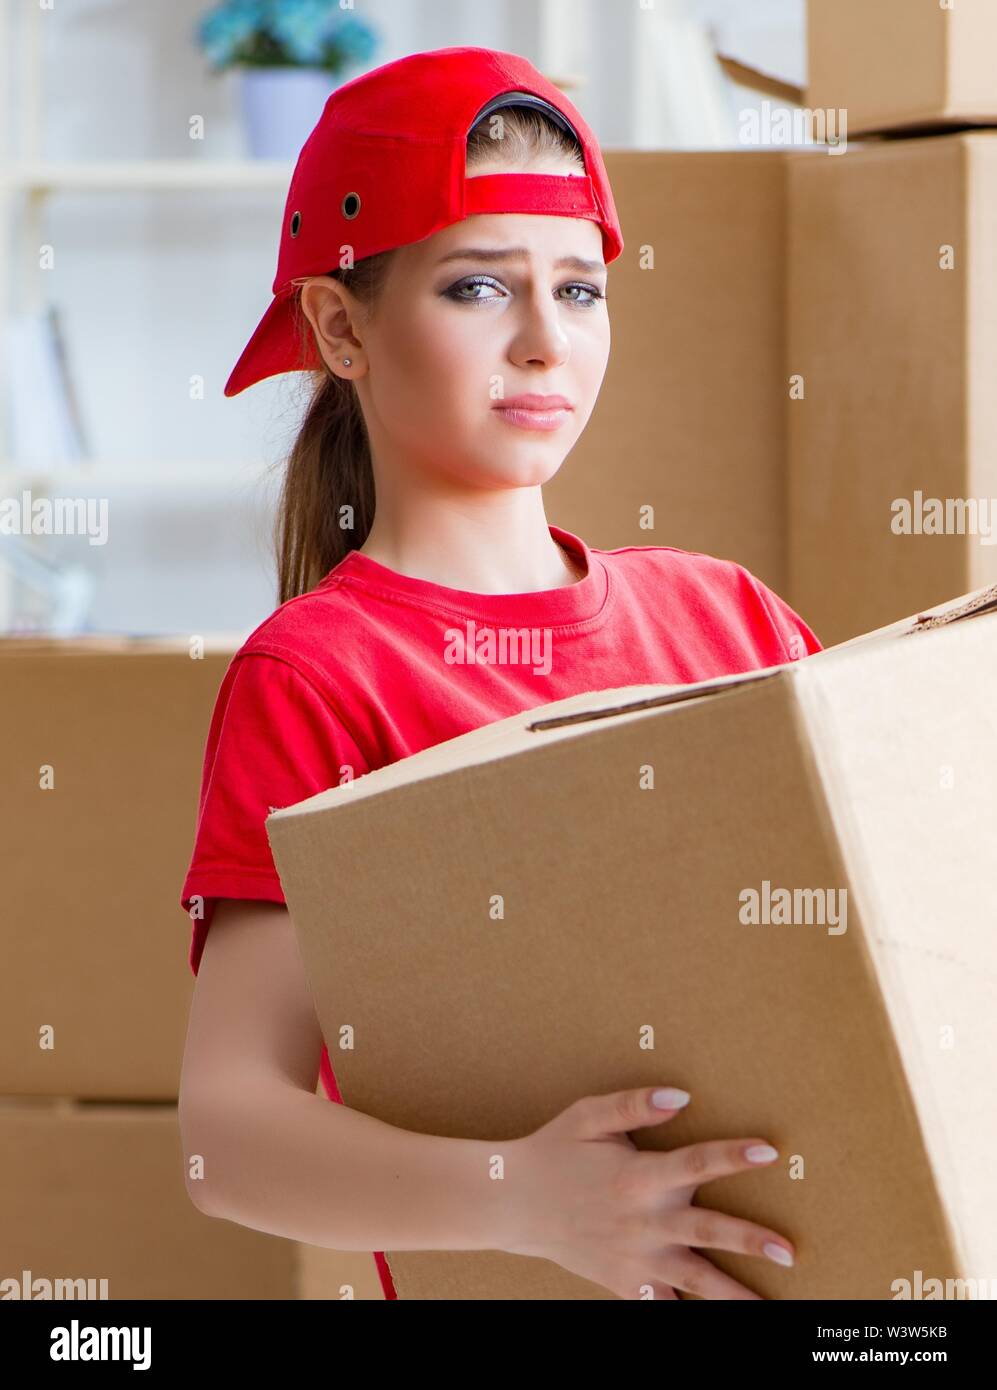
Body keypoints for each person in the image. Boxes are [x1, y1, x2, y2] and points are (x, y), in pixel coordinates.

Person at [178, 45, 820, 1302]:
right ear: (339, 324)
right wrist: (525, 1198)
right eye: (479, 286)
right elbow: (225, 1132)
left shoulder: (729, 618)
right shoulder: (319, 678)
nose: (543, 342)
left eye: (579, 291)